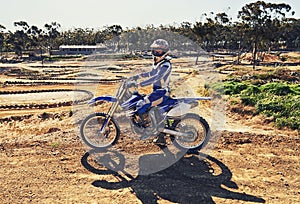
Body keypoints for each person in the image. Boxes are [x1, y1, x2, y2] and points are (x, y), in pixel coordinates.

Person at [129, 39, 172, 144]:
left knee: (142, 105)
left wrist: (140, 84)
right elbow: (151, 73)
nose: (156, 52)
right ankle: (161, 137)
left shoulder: (166, 64)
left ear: (165, 51)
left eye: (159, 50)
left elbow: (156, 77)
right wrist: (137, 76)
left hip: (162, 92)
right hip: (157, 91)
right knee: (156, 114)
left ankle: (148, 130)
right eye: (155, 50)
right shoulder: (158, 62)